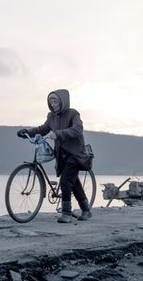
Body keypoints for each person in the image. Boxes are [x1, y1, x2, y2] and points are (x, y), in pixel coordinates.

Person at [17, 89, 92, 223]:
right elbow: (43, 129)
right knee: (73, 182)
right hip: (61, 154)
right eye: (51, 101)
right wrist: (27, 132)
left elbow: (77, 129)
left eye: (55, 100)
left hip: (75, 154)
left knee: (65, 182)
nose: (53, 103)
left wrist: (58, 134)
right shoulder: (51, 116)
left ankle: (66, 214)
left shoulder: (73, 114)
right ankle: (86, 210)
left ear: (62, 101)